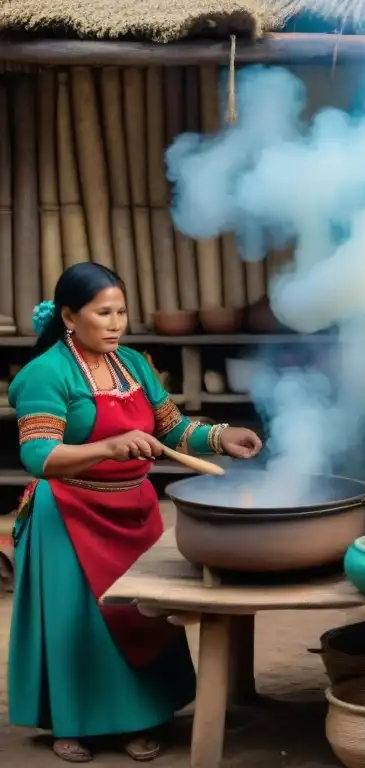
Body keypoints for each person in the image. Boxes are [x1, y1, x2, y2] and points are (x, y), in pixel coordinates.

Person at [7, 263, 263, 763]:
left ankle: (140, 719)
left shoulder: (134, 366)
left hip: (134, 512)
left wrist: (220, 437)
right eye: (103, 312)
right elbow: (39, 456)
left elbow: (171, 430)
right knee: (81, 626)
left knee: (140, 619)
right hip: (71, 515)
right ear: (69, 316)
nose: (116, 322)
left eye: (121, 311)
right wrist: (107, 446)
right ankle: (72, 725)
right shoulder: (46, 374)